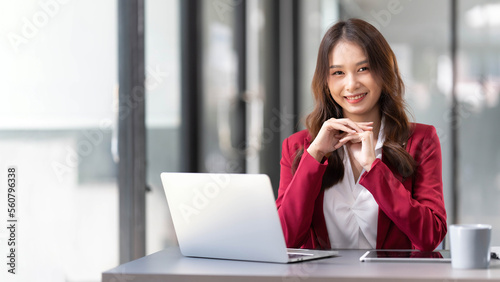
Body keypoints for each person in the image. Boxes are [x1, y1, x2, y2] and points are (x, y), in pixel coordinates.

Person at [276, 18, 447, 251]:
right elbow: (284, 240)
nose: (352, 84)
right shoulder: (299, 147)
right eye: (338, 72)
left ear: (383, 72)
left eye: (363, 69)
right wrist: (314, 155)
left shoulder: (422, 140)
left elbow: (430, 236)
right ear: (325, 82)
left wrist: (374, 168)